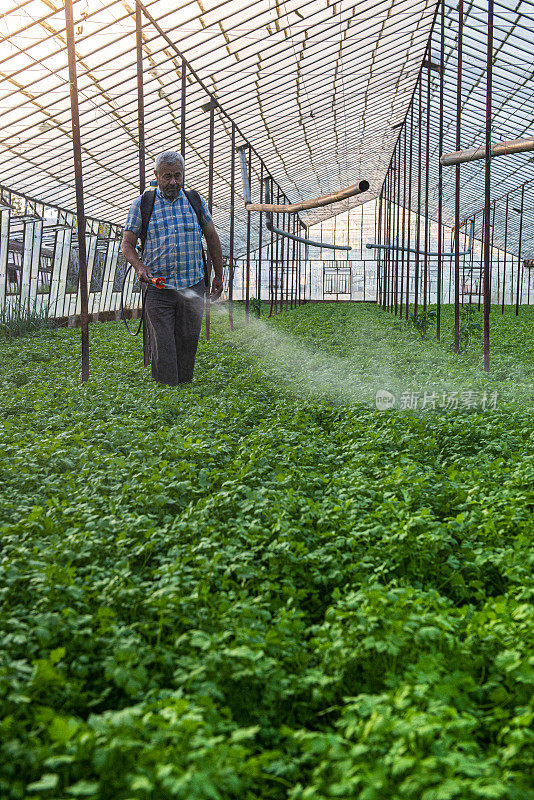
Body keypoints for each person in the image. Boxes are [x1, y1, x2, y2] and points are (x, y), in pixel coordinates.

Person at [121, 151, 223, 386]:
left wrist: (218, 274)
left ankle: (183, 390)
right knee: (164, 344)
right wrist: (139, 266)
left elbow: (212, 237)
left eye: (178, 176)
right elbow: (127, 244)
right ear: (156, 175)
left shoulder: (195, 201)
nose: (173, 182)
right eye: (167, 177)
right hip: (159, 290)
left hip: (193, 286)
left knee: (188, 343)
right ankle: (167, 393)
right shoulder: (143, 204)